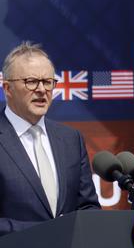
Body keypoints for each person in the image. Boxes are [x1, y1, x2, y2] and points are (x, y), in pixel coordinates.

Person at [0, 42, 100, 235]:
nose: (41, 90)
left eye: (47, 82)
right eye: (31, 81)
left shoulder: (71, 139)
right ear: (7, 88)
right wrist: (47, 231)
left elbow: (89, 208)